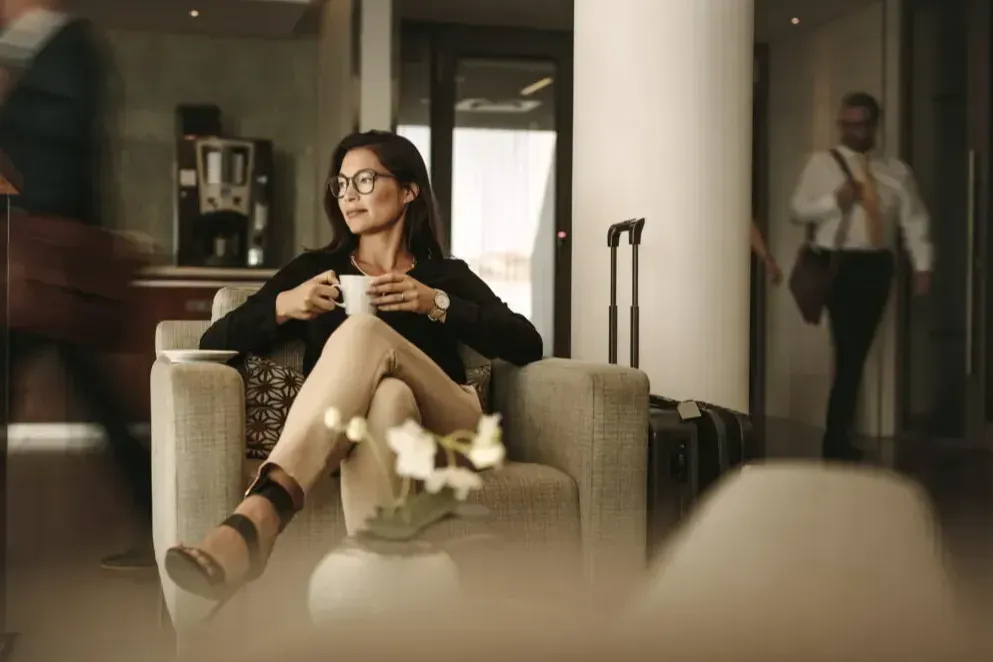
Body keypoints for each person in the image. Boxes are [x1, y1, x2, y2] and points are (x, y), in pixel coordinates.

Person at [164, 130, 544, 602]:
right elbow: (213, 341)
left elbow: (527, 343)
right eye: (342, 184)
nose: (348, 195)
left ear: (408, 191)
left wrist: (436, 303)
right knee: (387, 397)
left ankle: (263, 511)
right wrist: (284, 305)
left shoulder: (445, 275)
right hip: (361, 431)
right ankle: (380, 599)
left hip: (449, 426)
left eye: (364, 180)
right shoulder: (314, 270)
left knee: (363, 330)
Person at [0, 0, 154, 569]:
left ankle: (164, 524)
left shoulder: (66, 47)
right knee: (106, 406)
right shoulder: (32, 51)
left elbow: (60, 154)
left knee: (106, 406)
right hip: (48, 266)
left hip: (53, 264)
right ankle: (162, 523)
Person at [790, 92, 932, 462]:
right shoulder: (821, 164)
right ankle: (836, 441)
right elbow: (797, 209)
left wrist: (923, 265)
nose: (854, 131)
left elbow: (914, 219)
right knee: (849, 351)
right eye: (848, 124)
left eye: (862, 124)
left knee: (855, 353)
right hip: (839, 265)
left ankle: (839, 437)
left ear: (874, 125)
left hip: (877, 266)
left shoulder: (895, 171)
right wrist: (833, 202)